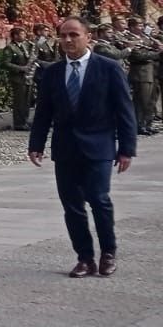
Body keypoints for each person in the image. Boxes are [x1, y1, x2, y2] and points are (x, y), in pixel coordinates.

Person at [29, 17, 136, 279]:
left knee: (99, 200)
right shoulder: (53, 72)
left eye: (74, 35)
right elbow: (43, 112)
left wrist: (126, 148)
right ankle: (84, 258)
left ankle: (108, 253)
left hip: (99, 147)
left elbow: (125, 111)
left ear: (88, 37)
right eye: (63, 35)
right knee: (72, 206)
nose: (67, 40)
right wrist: (36, 144)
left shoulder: (109, 68)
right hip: (66, 149)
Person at [123, 18, 158, 137]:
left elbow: (151, 50)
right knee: (140, 102)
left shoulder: (145, 38)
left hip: (151, 72)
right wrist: (157, 54)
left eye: (143, 25)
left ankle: (147, 124)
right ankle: (138, 125)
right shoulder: (129, 39)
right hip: (140, 74)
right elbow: (138, 55)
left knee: (150, 101)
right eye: (139, 25)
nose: (142, 27)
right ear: (132, 27)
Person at [4, 26, 37, 131]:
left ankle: (25, 121)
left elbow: (30, 57)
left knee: (27, 101)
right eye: (22, 34)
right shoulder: (10, 48)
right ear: (15, 36)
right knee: (19, 102)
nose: (24, 36)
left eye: (24, 33)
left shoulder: (27, 46)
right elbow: (6, 63)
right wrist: (21, 68)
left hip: (28, 77)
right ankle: (18, 123)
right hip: (18, 78)